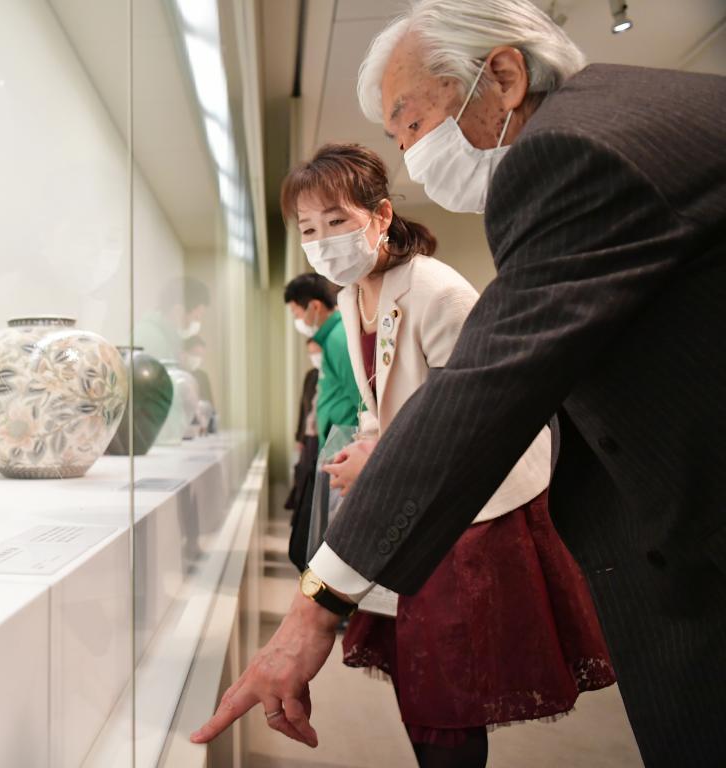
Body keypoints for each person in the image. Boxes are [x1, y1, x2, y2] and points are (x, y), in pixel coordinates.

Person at [192, 2, 726, 766]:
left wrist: (316, 606)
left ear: (503, 77)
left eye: (411, 123)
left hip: (507, 512)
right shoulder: (624, 120)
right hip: (640, 513)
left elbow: (483, 394)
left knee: (451, 687)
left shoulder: (569, 154)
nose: (412, 154)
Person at [296, 142, 615, 768]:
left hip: (473, 512)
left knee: (449, 685)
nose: (323, 239)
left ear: (381, 216)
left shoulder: (437, 289)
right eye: (308, 229)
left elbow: (472, 420)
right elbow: (390, 403)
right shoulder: (350, 295)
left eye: (337, 221)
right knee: (423, 677)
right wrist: (369, 443)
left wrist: (380, 460)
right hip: (412, 502)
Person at [284, 273, 358, 441]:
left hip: (345, 440)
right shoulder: (331, 338)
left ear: (315, 307)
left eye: (297, 314)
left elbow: (361, 400)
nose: (298, 321)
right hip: (337, 437)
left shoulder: (338, 338)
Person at [285, 338, 322, 571]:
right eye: (310, 352)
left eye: (316, 351)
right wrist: (299, 436)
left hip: (322, 437)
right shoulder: (311, 376)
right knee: (303, 478)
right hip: (308, 437)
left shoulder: (330, 371)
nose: (313, 355)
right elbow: (303, 406)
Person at [134, 276, 210, 362]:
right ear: (178, 311)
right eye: (196, 317)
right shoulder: (153, 339)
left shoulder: (163, 337)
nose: (197, 323)